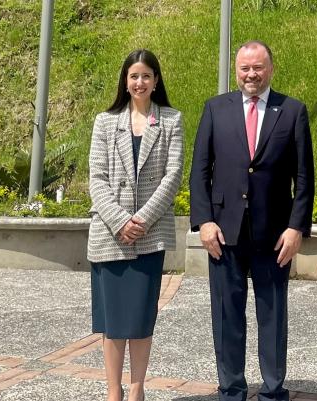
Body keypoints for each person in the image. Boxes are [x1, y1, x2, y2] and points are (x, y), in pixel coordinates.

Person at [189, 40, 314, 401]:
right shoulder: (215, 109)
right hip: (224, 233)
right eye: (245, 68)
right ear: (236, 70)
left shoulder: (292, 111)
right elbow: (199, 171)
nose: (251, 74)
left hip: (274, 235)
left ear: (270, 68)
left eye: (258, 67)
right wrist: (205, 221)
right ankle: (231, 389)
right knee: (227, 317)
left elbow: (304, 177)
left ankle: (273, 390)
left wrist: (296, 228)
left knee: (273, 317)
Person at [88, 49, 183, 401]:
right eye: (133, 76)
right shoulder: (105, 121)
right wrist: (119, 221)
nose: (139, 82)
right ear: (125, 82)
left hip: (148, 236)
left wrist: (140, 220)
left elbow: (172, 177)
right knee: (112, 323)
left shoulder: (171, 120)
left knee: (141, 320)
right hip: (109, 236)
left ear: (156, 81)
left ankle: (137, 388)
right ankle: (113, 391)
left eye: (146, 75)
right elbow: (95, 179)